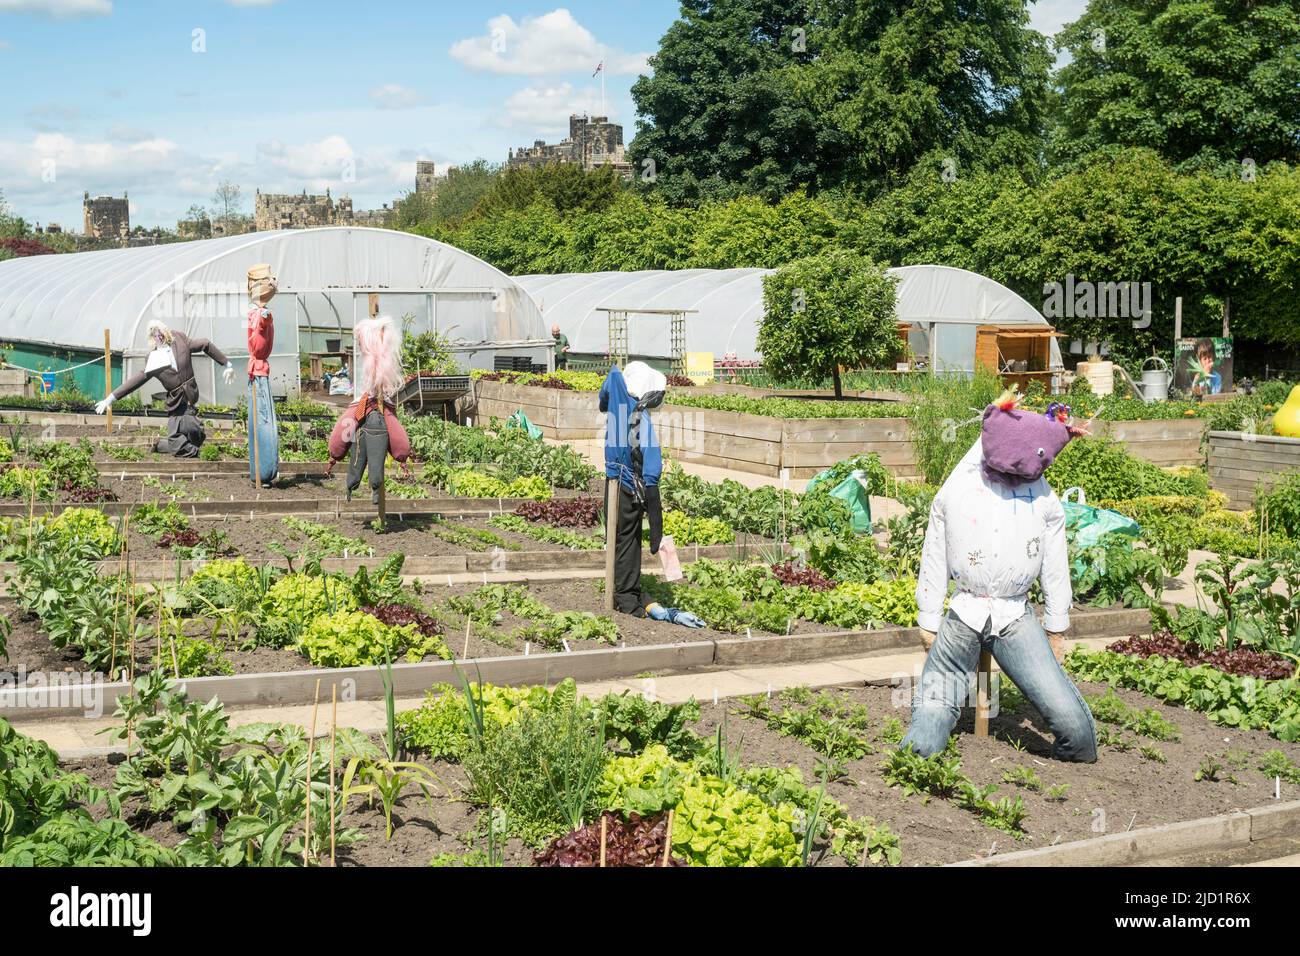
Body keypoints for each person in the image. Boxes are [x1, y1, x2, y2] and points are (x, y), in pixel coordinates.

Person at [900, 393, 1097, 763]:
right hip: (965, 612)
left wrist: (1056, 627)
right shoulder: (958, 488)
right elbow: (936, 549)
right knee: (925, 737)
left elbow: (1056, 565)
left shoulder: (1044, 500)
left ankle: (1061, 768)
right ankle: (916, 765)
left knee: (1078, 734)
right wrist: (929, 616)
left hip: (1015, 616)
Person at [599, 361, 704, 627]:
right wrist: (656, 519)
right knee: (629, 544)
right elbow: (652, 467)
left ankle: (622, 591)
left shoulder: (617, 408)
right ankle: (626, 600)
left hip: (612, 484)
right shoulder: (638, 417)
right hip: (628, 489)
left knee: (619, 541)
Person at [94, 320, 235, 458]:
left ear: (165, 331)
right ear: (151, 338)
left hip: (190, 395)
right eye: (154, 334)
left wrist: (226, 364)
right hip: (175, 403)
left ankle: (165, 445)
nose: (158, 336)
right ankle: (190, 450)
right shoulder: (153, 359)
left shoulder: (180, 339)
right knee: (182, 437)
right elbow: (136, 380)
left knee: (193, 431)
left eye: (159, 332)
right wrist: (110, 398)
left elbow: (205, 343)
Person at [326, 316, 411, 503]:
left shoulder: (368, 405)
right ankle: (357, 485)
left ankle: (360, 486)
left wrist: (335, 453)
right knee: (358, 447)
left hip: (372, 407)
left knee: (359, 449)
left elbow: (344, 431)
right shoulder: (365, 400)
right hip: (368, 406)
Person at [245, 263, 280, 484]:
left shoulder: (258, 314)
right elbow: (260, 328)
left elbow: (262, 324)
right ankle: (263, 470)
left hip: (258, 373)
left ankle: (262, 471)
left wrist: (263, 316)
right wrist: (263, 316)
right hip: (258, 374)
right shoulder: (259, 314)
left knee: (261, 422)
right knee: (262, 423)